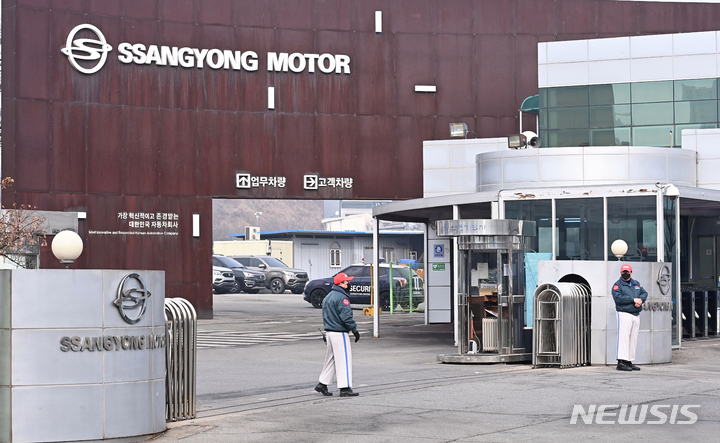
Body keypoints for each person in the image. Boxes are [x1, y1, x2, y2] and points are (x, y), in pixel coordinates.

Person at [315, 272, 361, 397]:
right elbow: (346, 317)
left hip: (329, 332)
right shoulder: (342, 298)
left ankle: (322, 384)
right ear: (341, 284)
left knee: (331, 359)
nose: (348, 284)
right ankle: (345, 388)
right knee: (344, 360)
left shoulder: (328, 296)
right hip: (339, 333)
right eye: (347, 282)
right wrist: (354, 330)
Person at [611, 264, 648, 372]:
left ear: (631, 272)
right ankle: (621, 362)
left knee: (633, 339)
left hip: (635, 314)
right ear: (621, 273)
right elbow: (618, 298)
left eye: (627, 272)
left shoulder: (636, 284)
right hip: (624, 313)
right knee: (624, 337)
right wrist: (633, 299)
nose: (626, 274)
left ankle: (629, 361)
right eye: (623, 272)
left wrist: (640, 300)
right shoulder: (617, 285)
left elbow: (644, 293)